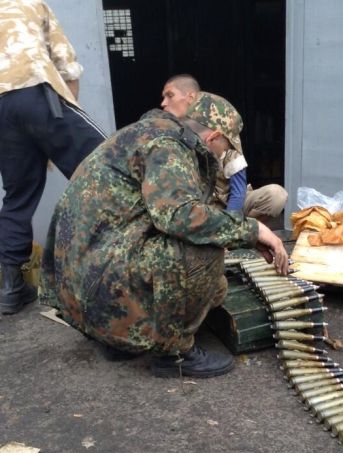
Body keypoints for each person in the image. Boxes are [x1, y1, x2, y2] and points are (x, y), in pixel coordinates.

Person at [40, 92, 289, 378]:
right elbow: (180, 217)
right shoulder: (169, 148)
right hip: (101, 283)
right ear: (214, 137)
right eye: (226, 147)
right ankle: (174, 354)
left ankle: (116, 336)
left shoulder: (147, 133)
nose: (224, 155)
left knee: (216, 287)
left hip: (82, 289)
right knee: (205, 252)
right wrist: (253, 230)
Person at [0, 0, 106, 315]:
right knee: (109, 163)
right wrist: (55, 130)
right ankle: (114, 267)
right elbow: (66, 65)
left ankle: (10, 288)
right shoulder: (33, 4)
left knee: (17, 197)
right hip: (36, 89)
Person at [161, 75, 288, 224]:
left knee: (276, 195)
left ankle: (245, 231)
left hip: (229, 205)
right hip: (202, 211)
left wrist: (230, 223)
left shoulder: (231, 154)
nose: (163, 103)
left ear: (214, 137)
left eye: (170, 96)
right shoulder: (176, 147)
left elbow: (238, 193)